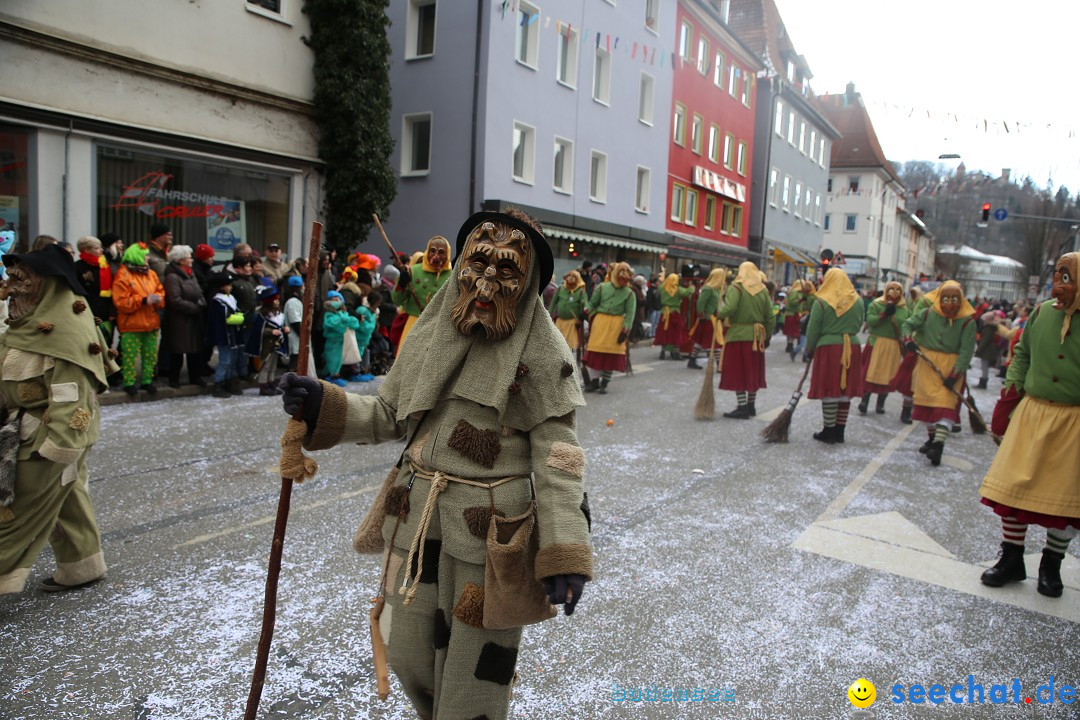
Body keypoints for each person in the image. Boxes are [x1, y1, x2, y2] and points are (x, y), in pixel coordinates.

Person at [278, 208, 590, 720]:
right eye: (479, 264)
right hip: (414, 519)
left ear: (528, 279)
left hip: (488, 540)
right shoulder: (431, 329)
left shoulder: (544, 349)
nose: (487, 281)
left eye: (505, 271)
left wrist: (564, 550)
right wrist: (324, 405)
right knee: (408, 656)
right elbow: (386, 413)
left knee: (473, 678)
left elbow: (559, 459)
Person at [0, 244, 118, 594]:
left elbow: (73, 398)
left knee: (16, 509)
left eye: (23, 280)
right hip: (22, 426)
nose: (12, 287)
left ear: (46, 283)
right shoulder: (26, 321)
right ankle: (82, 566)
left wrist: (56, 448)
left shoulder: (66, 330)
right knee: (66, 496)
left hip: (50, 435)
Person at [978, 252, 1080, 598]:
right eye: (1058, 277)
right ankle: (1012, 558)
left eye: (1067, 278)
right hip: (1033, 413)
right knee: (1013, 487)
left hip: (1073, 421)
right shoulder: (1041, 313)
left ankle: (1051, 564)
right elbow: (1022, 355)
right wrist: (1009, 397)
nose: (1059, 286)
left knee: (1065, 498)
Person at [901, 280, 976, 466]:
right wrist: (908, 339)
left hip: (951, 366)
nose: (950, 303)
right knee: (927, 405)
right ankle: (933, 440)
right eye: (946, 298)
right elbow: (908, 324)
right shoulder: (928, 314)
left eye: (954, 299)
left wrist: (955, 374)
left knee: (945, 406)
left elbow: (967, 351)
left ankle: (939, 445)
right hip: (927, 366)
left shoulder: (968, 322)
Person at [806, 268, 866, 443]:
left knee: (829, 388)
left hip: (829, 348)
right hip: (852, 347)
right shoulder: (858, 301)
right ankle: (840, 430)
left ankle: (829, 430)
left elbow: (813, 328)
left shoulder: (822, 302)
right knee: (844, 391)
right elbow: (861, 322)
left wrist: (810, 348)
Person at [716, 261, 774, 418]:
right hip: (757, 336)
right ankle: (751, 406)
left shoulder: (736, 288)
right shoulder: (763, 291)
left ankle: (742, 407)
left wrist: (719, 312)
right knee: (752, 370)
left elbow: (730, 308)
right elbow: (770, 317)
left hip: (738, 335)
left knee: (738, 371)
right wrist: (767, 336)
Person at [112, 243, 166, 397]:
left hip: (151, 323)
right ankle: (129, 382)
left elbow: (160, 291)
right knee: (129, 356)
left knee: (150, 355)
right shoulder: (123, 274)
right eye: (145, 255)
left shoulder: (151, 274)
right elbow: (121, 302)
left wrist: (158, 299)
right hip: (131, 324)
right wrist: (142, 300)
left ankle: (147, 381)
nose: (148, 258)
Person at [391, 235, 452, 352]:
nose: (436, 256)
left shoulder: (453, 277)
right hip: (412, 325)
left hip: (437, 329)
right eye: (432, 251)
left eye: (441, 252)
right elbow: (397, 300)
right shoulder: (413, 271)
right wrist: (401, 285)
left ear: (448, 254)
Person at [582, 262, 636, 394]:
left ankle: (604, 384)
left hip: (616, 326)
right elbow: (593, 303)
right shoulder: (601, 287)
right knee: (595, 353)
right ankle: (594, 383)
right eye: (622, 272)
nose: (625, 276)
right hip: (600, 324)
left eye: (627, 273)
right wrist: (587, 309)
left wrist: (625, 330)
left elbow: (630, 315)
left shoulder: (629, 293)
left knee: (611, 355)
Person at [858, 281, 908, 416]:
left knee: (888, 375)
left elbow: (906, 327)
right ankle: (864, 400)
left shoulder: (904, 310)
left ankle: (881, 403)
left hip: (893, 346)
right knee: (869, 372)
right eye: (891, 289)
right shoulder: (876, 304)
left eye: (898, 290)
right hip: (876, 343)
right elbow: (870, 321)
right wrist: (884, 315)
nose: (894, 293)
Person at [161, 245, 207, 389]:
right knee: (178, 351)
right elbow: (174, 299)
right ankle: (174, 378)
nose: (191, 260)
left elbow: (199, 291)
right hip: (178, 320)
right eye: (189, 257)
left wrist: (201, 302)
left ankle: (195, 377)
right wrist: (194, 307)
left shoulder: (190, 274)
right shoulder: (172, 277)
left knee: (195, 349)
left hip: (193, 319)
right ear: (181, 260)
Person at [206, 271, 246, 398]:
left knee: (231, 360)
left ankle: (229, 382)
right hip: (225, 335)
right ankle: (219, 383)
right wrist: (238, 318)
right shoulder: (218, 301)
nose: (230, 287)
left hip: (233, 334)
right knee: (224, 360)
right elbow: (224, 319)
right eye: (228, 285)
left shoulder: (230, 298)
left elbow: (236, 312)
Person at [247, 284, 288, 395]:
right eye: (275, 300)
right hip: (266, 346)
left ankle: (271, 383)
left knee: (273, 366)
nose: (277, 301)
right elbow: (257, 331)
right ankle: (263, 386)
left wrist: (284, 329)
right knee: (265, 366)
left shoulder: (278, 314)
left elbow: (280, 326)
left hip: (276, 345)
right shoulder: (262, 316)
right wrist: (271, 332)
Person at [73, 236, 116, 342]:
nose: (101, 250)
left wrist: (112, 311)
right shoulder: (77, 267)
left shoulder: (105, 265)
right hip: (87, 311)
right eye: (97, 248)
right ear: (87, 250)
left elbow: (112, 289)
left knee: (106, 342)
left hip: (105, 312)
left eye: (100, 247)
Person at [687, 268, 728, 370]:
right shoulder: (708, 288)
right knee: (716, 341)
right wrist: (701, 316)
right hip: (708, 319)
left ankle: (692, 360)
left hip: (715, 318)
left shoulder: (717, 289)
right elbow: (700, 303)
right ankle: (720, 364)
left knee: (700, 341)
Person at [321, 290, 359, 386]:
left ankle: (333, 374)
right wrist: (343, 319)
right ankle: (333, 375)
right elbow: (330, 323)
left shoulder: (344, 313)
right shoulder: (329, 314)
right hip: (333, 341)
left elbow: (353, 323)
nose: (335, 301)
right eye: (332, 300)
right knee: (332, 358)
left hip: (342, 341)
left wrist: (350, 320)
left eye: (337, 299)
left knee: (338, 359)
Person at [653, 271, 693, 360]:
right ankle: (676, 352)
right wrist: (691, 286)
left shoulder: (663, 288)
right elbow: (688, 292)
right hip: (674, 313)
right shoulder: (678, 290)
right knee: (676, 333)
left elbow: (660, 285)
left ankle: (662, 351)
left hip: (664, 313)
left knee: (664, 332)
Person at [548, 270, 587, 356]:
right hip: (560, 321)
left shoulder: (581, 291)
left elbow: (585, 306)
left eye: (574, 277)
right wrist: (548, 315)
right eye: (569, 276)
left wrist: (583, 314)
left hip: (572, 323)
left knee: (570, 346)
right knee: (557, 343)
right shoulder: (560, 289)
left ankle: (569, 360)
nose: (571, 279)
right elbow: (553, 303)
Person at [282, 275, 305, 370]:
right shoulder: (293, 302)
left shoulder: (296, 300)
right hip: (295, 336)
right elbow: (295, 321)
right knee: (294, 362)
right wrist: (303, 336)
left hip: (296, 336)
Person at [783, 279, 809, 358]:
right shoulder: (794, 292)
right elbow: (792, 302)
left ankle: (792, 345)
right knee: (791, 331)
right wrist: (801, 300)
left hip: (796, 314)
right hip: (792, 314)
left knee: (794, 331)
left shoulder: (799, 293)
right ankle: (790, 345)